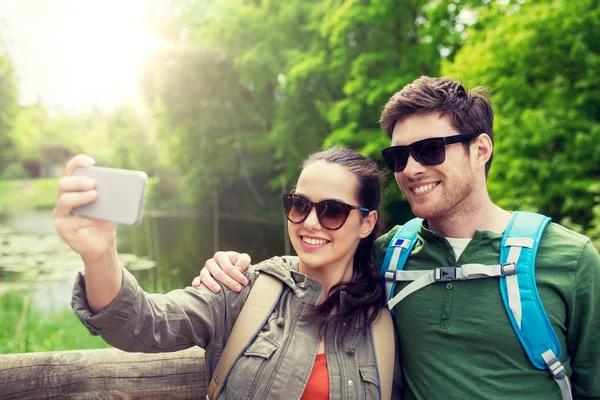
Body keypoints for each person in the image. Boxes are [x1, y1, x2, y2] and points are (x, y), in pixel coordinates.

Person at [192, 76, 600, 399]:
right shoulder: (387, 257)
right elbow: (306, 269)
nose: (410, 168)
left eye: (429, 150)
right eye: (399, 156)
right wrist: (231, 266)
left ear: (480, 150)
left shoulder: (570, 259)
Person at [54, 148, 401, 399]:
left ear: (367, 222)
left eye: (332, 211)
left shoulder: (383, 323)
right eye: (300, 204)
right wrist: (99, 255)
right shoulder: (241, 287)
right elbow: (142, 323)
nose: (310, 222)